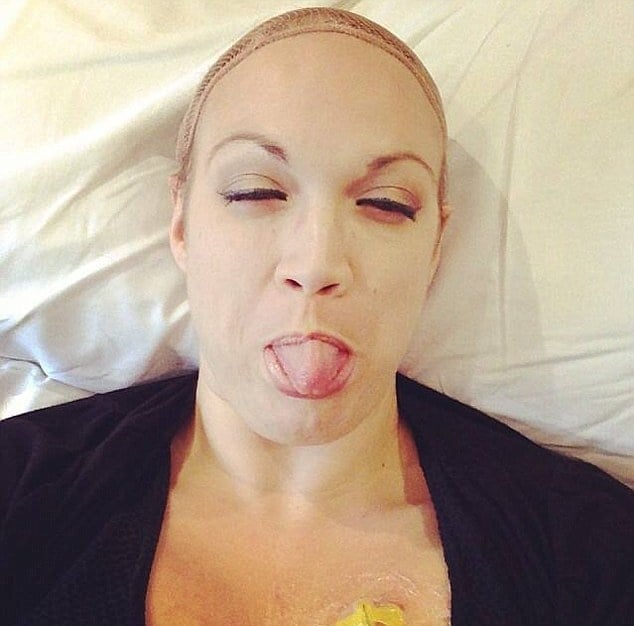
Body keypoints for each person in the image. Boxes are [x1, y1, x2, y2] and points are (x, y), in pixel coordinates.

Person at [0, 7, 632, 626]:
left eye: (386, 204)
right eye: (255, 191)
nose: (317, 261)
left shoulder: (592, 554)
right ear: (182, 224)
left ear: (436, 247)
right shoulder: (20, 493)